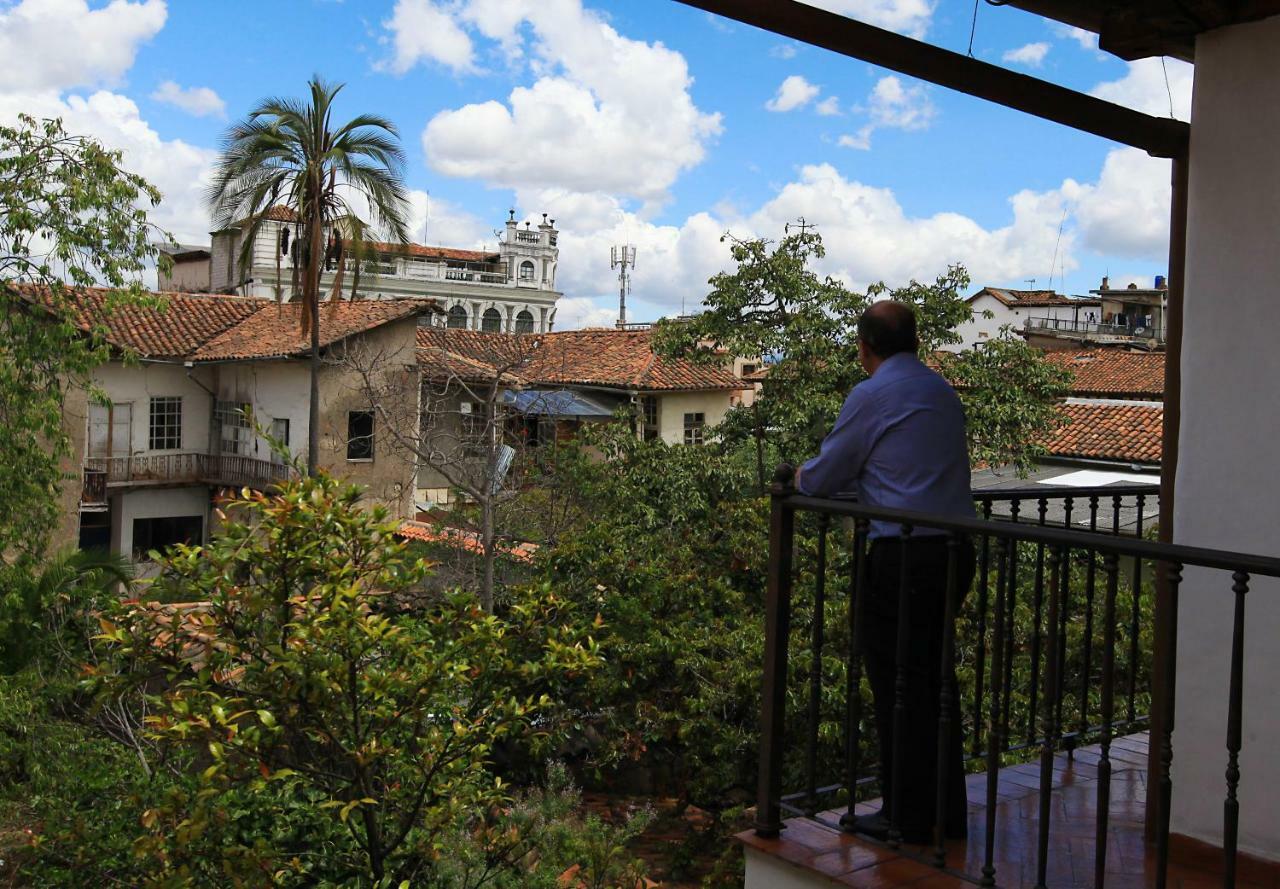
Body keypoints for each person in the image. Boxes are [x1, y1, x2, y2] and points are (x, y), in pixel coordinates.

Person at [796, 301, 976, 845]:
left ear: (864, 347)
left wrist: (798, 476)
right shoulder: (941, 391)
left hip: (903, 555)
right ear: (915, 342)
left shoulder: (871, 394)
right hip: (952, 551)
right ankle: (945, 809)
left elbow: (826, 476)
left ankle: (906, 815)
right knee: (934, 682)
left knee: (896, 684)